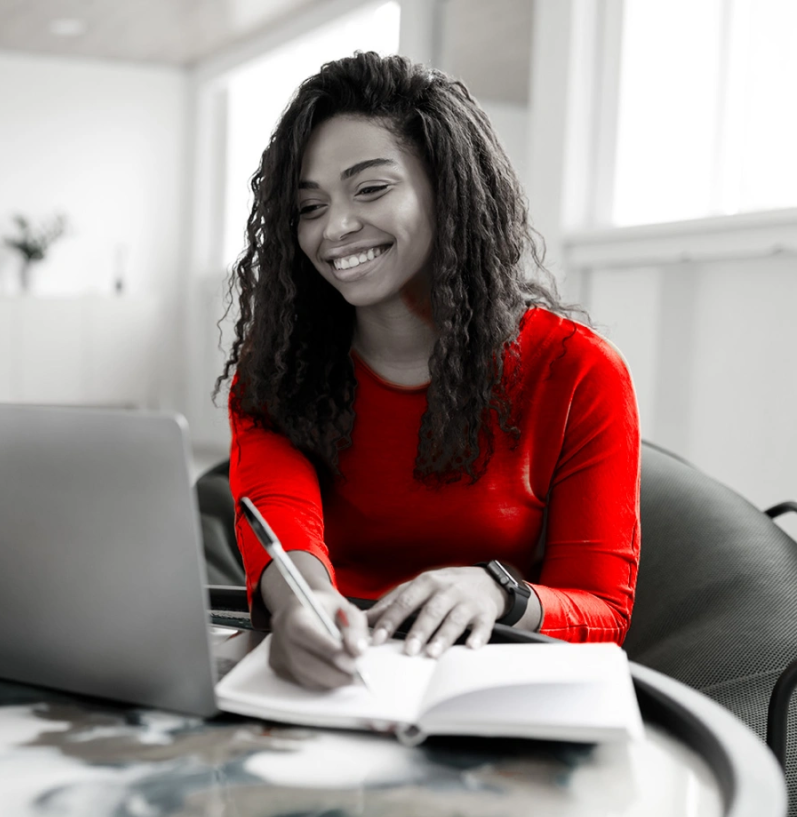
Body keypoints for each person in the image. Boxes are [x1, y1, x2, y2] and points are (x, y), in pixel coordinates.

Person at [217, 52, 640, 691]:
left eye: (371, 188)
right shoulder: (279, 366)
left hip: (488, 684)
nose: (336, 228)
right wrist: (304, 605)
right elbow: (284, 516)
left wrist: (498, 591)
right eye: (309, 207)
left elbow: (604, 610)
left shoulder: (577, 370)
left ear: (449, 188)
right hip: (329, 673)